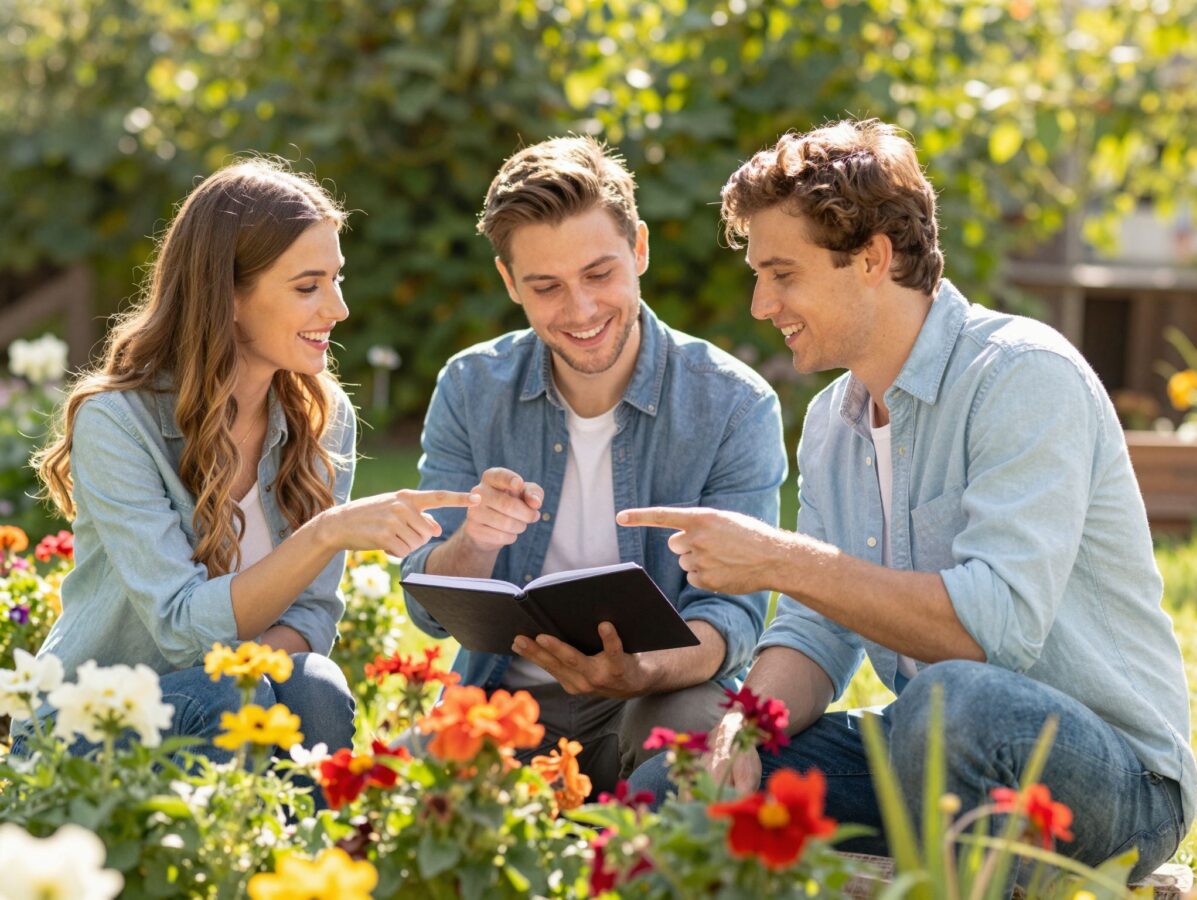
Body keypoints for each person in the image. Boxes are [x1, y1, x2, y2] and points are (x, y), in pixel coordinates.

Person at [621, 119, 1195, 880]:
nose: (761, 304)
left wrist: (781, 559)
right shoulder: (832, 422)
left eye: (783, 274)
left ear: (873, 259)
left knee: (951, 702)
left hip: (1116, 783)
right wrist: (746, 730)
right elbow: (815, 631)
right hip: (936, 751)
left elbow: (994, 634)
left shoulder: (1022, 377)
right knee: (683, 782)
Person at [21, 158, 477, 763]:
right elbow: (181, 628)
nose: (338, 309)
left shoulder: (322, 415)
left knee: (313, 686)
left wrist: (259, 676)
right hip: (88, 730)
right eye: (307, 287)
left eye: (337, 279)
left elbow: (311, 615)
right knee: (236, 699)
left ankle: (306, 856)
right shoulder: (119, 422)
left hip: (234, 697)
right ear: (228, 297)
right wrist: (324, 535)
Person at [401, 136, 787, 794]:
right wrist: (477, 540)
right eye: (546, 287)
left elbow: (730, 621)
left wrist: (639, 672)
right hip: (505, 705)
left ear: (639, 248)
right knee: (390, 801)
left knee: (695, 770)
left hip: (659, 697)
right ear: (508, 282)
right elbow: (429, 606)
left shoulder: (732, 404)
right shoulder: (471, 388)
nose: (580, 311)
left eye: (599, 274)